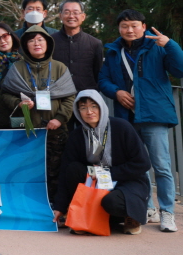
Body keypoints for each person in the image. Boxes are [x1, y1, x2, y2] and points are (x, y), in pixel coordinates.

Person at [99, 9, 183, 232]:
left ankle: (167, 212)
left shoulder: (158, 46)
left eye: (134, 25)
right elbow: (103, 80)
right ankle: (148, 208)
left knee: (161, 166)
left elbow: (180, 69)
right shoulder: (114, 51)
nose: (130, 30)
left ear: (143, 27)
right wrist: (116, 92)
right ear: (119, 28)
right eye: (125, 26)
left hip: (154, 115)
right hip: (127, 117)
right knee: (137, 167)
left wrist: (170, 44)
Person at [53, 91, 152, 236]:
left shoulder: (122, 127)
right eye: (83, 108)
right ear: (78, 111)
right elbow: (64, 171)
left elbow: (143, 163)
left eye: (94, 106)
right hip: (96, 181)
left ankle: (131, 216)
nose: (89, 112)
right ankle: (83, 214)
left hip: (126, 180)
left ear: (102, 107)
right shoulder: (77, 135)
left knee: (112, 202)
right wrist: (60, 206)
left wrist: (107, 173)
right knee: (73, 169)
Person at [0, 26, 76, 202]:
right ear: (25, 45)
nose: (36, 43)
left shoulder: (59, 67)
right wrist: (18, 103)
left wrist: (60, 119)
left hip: (55, 130)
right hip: (27, 130)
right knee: (26, 169)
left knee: (56, 169)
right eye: (31, 40)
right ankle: (29, 205)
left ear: (48, 43)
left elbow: (69, 96)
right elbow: (6, 94)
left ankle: (55, 206)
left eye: (40, 39)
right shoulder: (17, 68)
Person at [51, 0, 104, 100]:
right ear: (60, 15)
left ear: (83, 16)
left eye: (75, 12)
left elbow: (98, 73)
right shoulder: (50, 41)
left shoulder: (95, 43)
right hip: (57, 99)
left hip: (86, 99)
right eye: (67, 12)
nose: (71, 16)